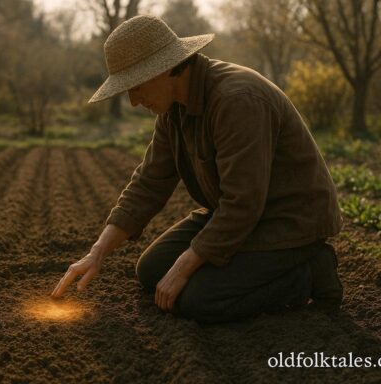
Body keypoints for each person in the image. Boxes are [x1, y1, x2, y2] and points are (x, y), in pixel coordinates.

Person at [51, 15, 344, 323]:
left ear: (164, 69)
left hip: (288, 220)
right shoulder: (172, 110)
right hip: (239, 215)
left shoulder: (237, 100)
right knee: (152, 270)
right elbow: (149, 183)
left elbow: (243, 203)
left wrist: (185, 265)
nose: (134, 101)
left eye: (135, 87)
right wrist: (97, 253)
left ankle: (311, 272)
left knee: (199, 300)